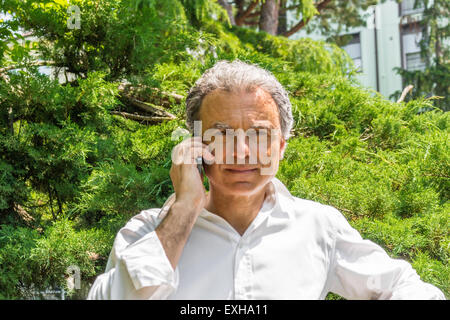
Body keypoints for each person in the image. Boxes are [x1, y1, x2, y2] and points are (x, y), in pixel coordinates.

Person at [87, 60, 445, 300]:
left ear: (282, 146)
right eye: (222, 133)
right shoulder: (146, 232)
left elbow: (402, 286)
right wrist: (183, 211)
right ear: (193, 143)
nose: (242, 151)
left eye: (260, 135)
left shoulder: (319, 226)